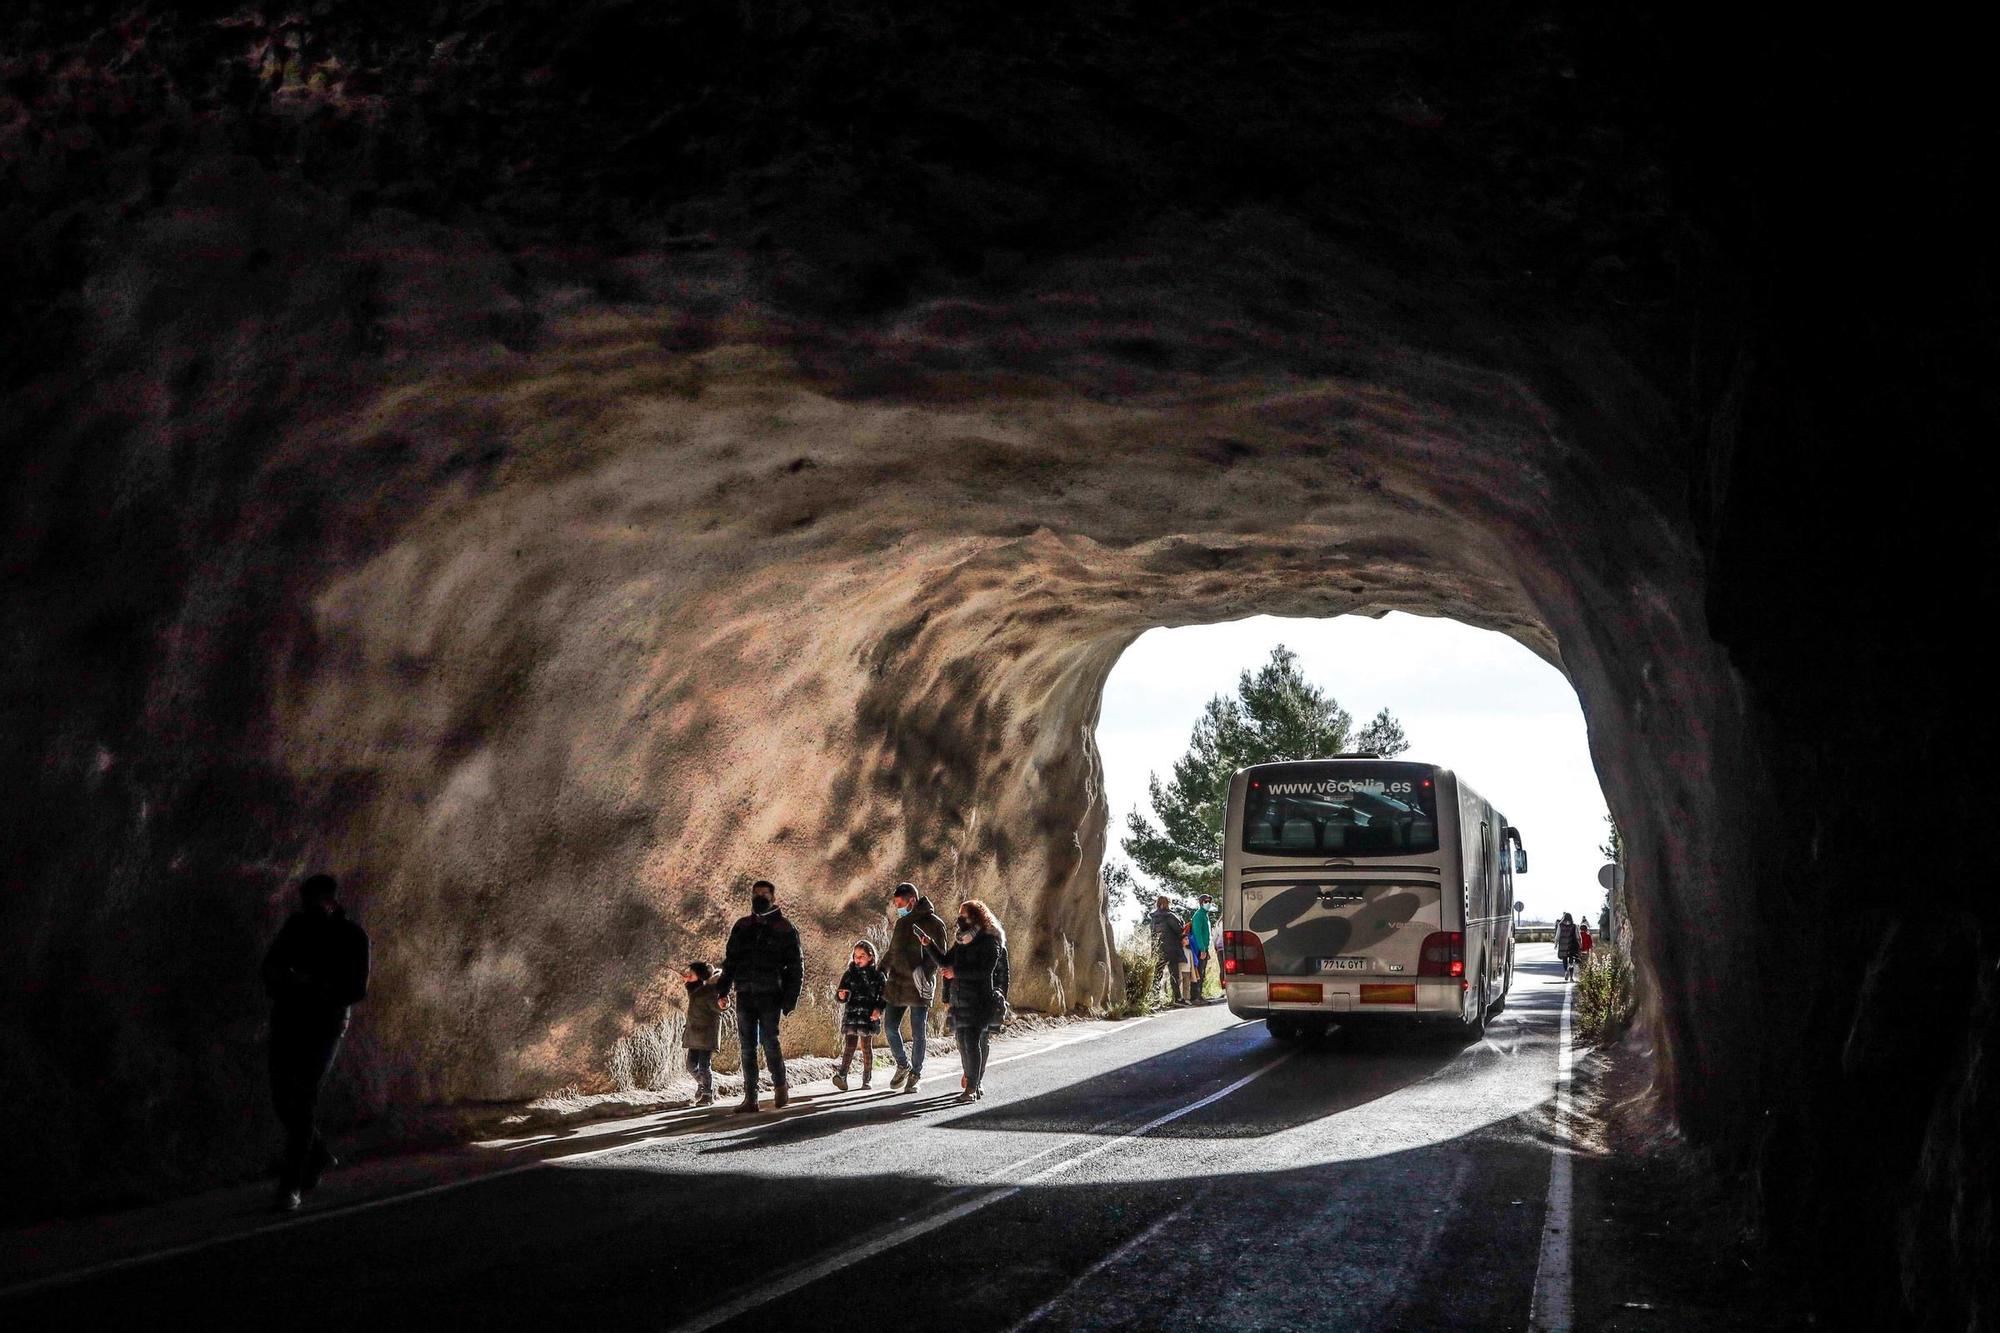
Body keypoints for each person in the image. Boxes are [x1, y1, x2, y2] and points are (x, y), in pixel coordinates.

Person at [259, 873, 370, 1212]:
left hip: (324, 1026)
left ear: (332, 901)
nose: (309, 907)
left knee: (303, 1098)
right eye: (305, 901)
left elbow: (355, 989)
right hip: (289, 1020)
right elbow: (269, 968)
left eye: (316, 901)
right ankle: (318, 1154)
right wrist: (287, 981)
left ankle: (291, 1184)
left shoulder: (352, 936)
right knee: (282, 1098)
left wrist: (315, 986)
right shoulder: (296, 927)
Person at [718, 878, 803, 1112]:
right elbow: (731, 961)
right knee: (747, 1047)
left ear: (773, 898)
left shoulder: (785, 928)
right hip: (745, 992)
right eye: (756, 894)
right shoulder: (742, 926)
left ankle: (780, 1087)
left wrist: (789, 999)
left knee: (770, 1041)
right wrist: (723, 990)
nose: (760, 897)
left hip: (770, 993)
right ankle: (750, 1098)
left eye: (764, 894)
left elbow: (795, 966)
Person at [916, 900, 1008, 1103]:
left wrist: (956, 973)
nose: (960, 918)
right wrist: (929, 945)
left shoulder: (989, 941)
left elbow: (985, 971)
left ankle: (972, 1087)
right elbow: (944, 962)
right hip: (960, 1000)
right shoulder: (961, 941)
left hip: (978, 1000)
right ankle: (970, 1080)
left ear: (976, 916)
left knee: (973, 1042)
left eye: (964, 915)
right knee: (962, 1042)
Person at [880, 881, 947, 1094]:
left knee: (919, 1031)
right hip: (897, 985)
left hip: (919, 986)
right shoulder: (901, 924)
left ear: (912, 901)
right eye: (896, 904)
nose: (898, 907)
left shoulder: (935, 924)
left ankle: (916, 1073)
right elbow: (892, 952)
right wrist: (881, 970)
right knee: (890, 1027)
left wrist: (923, 973)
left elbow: (939, 957)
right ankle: (902, 1064)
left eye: (900, 903)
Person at [832, 939, 886, 1091]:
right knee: (849, 1046)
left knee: (866, 1047)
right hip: (852, 1016)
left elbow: (884, 996)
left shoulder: (877, 975)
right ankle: (842, 1075)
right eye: (856, 956)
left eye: (862, 955)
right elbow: (841, 993)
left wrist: (878, 1010)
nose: (858, 959)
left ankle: (866, 1078)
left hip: (867, 1016)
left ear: (870, 957)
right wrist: (841, 996)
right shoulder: (849, 974)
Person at [681, 960, 727, 1106]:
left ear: (700, 976)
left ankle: (708, 1094)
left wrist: (723, 1004)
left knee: (703, 1065)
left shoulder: (710, 991)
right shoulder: (695, 990)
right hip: (695, 1033)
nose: (688, 975)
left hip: (706, 1034)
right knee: (690, 1065)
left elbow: (721, 1005)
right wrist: (688, 981)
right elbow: (691, 988)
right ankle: (703, 1085)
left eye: (691, 974)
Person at [1145, 895, 1188, 1004]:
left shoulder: (1153, 918)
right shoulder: (1170, 916)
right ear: (1168, 903)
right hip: (1171, 949)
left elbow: (1153, 934)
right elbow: (1179, 930)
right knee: (1174, 975)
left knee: (1157, 975)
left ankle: (1154, 998)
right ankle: (1178, 998)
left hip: (1158, 949)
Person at [1187, 892, 1220, 1002]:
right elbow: (1198, 934)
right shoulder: (1199, 915)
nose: (1208, 903)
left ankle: (1199, 995)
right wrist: (1202, 949)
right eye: (1206, 901)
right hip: (1198, 949)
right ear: (1201, 903)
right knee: (1198, 972)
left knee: (1202, 972)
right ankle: (1195, 997)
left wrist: (1206, 949)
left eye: (1209, 901)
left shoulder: (1205, 915)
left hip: (1204, 948)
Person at [1556, 912, 1579, 981]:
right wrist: (1579, 943)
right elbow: (1577, 935)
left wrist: (1556, 943)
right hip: (1571, 945)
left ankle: (1566, 971)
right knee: (1571, 960)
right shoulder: (1574, 926)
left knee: (1564, 959)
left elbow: (1557, 935)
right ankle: (1571, 977)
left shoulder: (1560, 925)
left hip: (1563, 945)